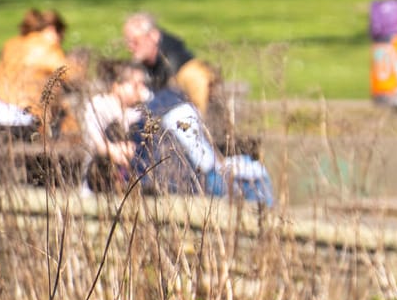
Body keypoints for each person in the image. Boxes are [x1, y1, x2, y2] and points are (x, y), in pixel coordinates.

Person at [131, 82, 275, 206]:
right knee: (256, 176)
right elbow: (204, 162)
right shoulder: (170, 109)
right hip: (198, 179)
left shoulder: (158, 109)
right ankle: (267, 219)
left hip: (195, 174)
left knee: (250, 166)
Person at [0, 8, 80, 143]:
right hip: (16, 118)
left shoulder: (12, 43)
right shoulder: (48, 47)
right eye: (61, 36)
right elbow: (72, 76)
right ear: (52, 30)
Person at [122, 13, 223, 130]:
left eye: (135, 41)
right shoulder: (144, 66)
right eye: (127, 42)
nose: (129, 47)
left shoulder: (188, 71)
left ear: (153, 36)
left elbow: (198, 117)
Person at [77, 60, 147, 193]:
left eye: (143, 85)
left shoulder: (140, 111)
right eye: (136, 85)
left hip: (131, 181)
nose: (142, 90)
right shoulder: (99, 105)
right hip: (98, 178)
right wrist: (114, 151)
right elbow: (96, 142)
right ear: (117, 86)